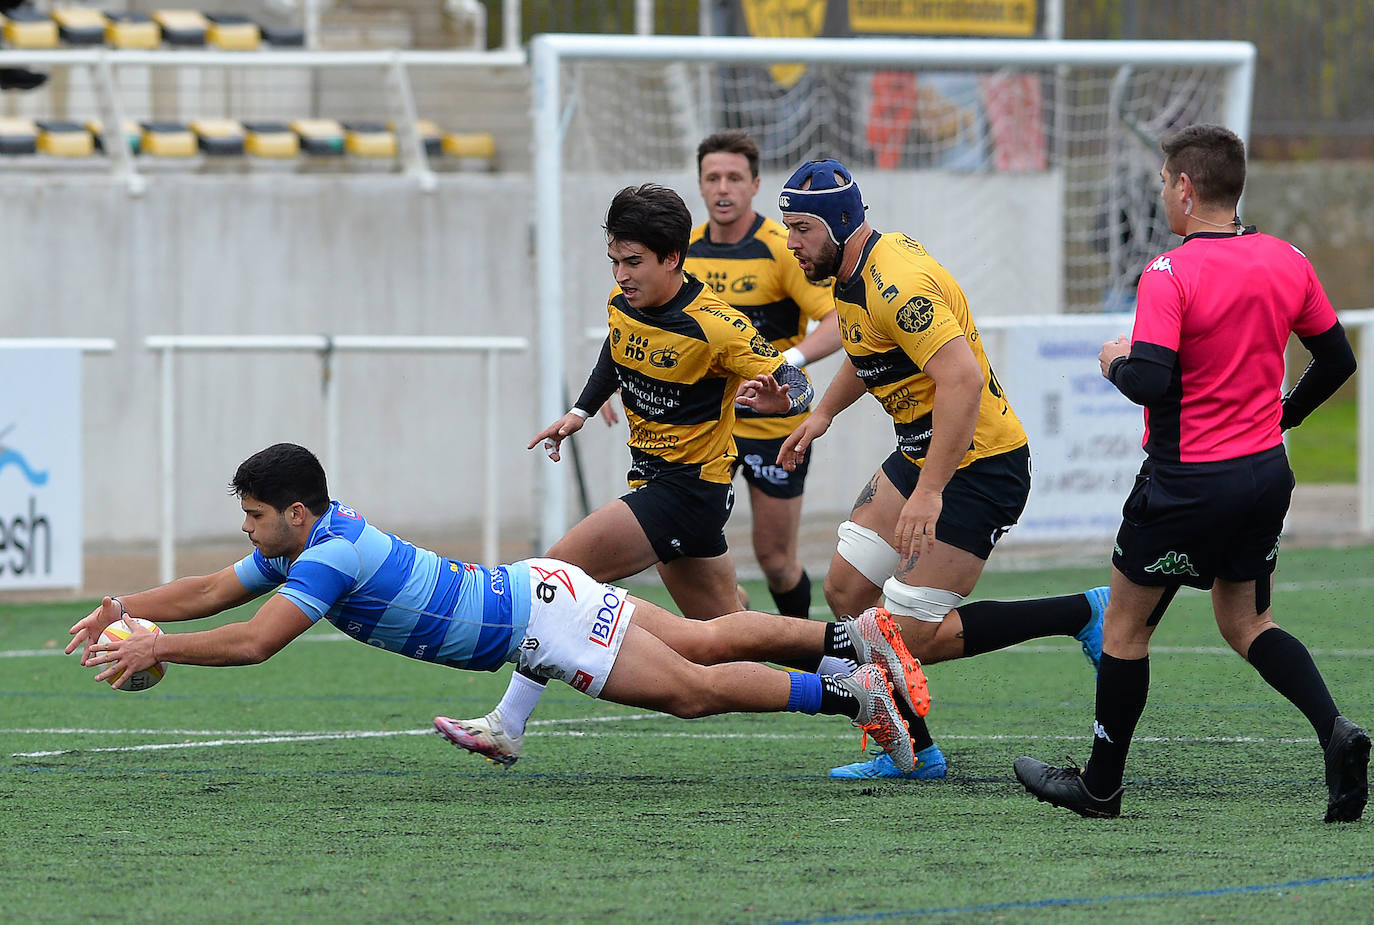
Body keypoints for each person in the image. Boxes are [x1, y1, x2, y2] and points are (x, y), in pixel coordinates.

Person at [67, 442, 928, 773]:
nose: (247, 532)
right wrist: (125, 604)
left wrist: (160, 650)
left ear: (296, 512)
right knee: (701, 641)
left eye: (255, 516)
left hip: (537, 621)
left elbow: (256, 642)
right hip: (534, 595)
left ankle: (856, 691)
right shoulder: (314, 538)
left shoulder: (328, 555)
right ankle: (850, 641)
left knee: (692, 686)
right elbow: (218, 589)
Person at [1013, 124, 1368, 822]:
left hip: (1186, 485)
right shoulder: (1287, 259)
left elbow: (1149, 378)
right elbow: (1338, 361)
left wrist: (1112, 357)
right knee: (1248, 620)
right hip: (1265, 474)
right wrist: (1285, 416)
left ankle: (1100, 787)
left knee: (1123, 629)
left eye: (1162, 185)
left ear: (1183, 187)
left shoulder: (1169, 272)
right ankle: (1336, 730)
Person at [439, 182, 835, 765]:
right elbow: (616, 350)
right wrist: (578, 412)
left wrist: (784, 400)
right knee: (727, 632)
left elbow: (793, 380)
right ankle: (861, 679)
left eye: (634, 262)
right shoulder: (623, 302)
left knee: (551, 577)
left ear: (673, 258)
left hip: (686, 492)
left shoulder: (717, 325)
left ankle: (508, 723)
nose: (622, 275)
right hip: (655, 486)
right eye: (615, 261)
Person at [747, 157, 1109, 781]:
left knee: (909, 636)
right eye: (787, 227)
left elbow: (962, 380)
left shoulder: (898, 282)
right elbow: (868, 350)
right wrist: (821, 414)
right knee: (847, 591)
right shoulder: (848, 269)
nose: (792, 242)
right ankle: (916, 754)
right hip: (922, 451)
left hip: (980, 465)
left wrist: (931, 491)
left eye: (801, 228)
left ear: (836, 223)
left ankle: (1081, 612)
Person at [686, 130, 840, 618]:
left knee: (775, 560)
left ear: (754, 185)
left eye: (734, 177)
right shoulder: (683, 252)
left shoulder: (780, 247)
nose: (723, 188)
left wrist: (784, 364)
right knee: (688, 547)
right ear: (701, 185)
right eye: (713, 177)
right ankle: (734, 619)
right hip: (708, 426)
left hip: (775, 426)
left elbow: (839, 321)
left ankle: (807, 661)